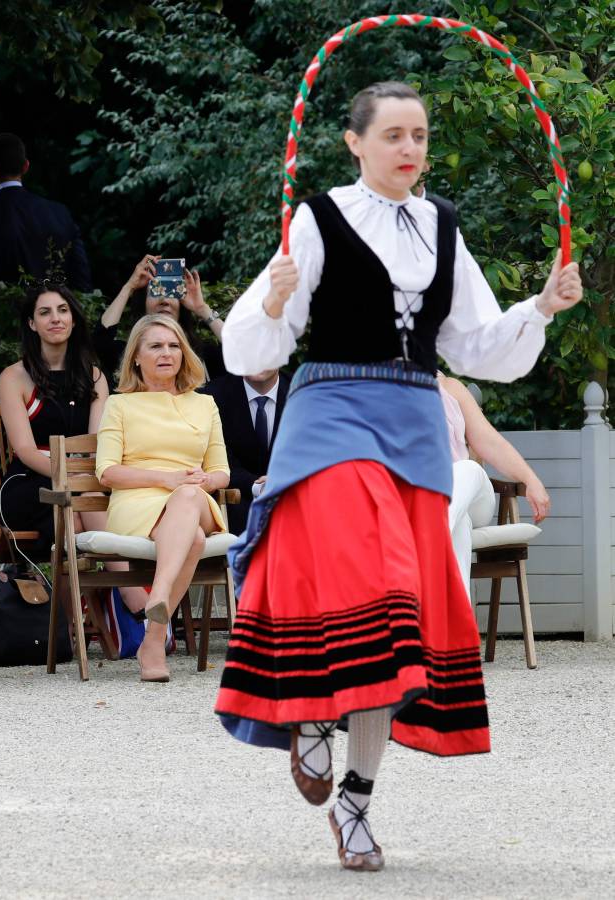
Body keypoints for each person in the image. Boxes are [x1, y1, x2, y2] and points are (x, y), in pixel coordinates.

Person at [216, 81, 584, 871]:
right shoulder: (315, 218)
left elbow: (478, 345)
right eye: (392, 135)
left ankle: (356, 800)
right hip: (333, 416)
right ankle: (311, 717)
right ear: (355, 142)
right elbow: (252, 349)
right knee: (366, 576)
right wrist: (276, 304)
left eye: (418, 134)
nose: (409, 149)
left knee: (405, 615)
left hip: (416, 421)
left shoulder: (442, 226)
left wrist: (542, 308)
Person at [95, 313, 229, 682]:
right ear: (136, 356)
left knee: (188, 498)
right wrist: (165, 479)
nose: (166, 353)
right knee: (195, 539)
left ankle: (159, 596)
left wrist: (205, 480)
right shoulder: (120, 405)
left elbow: (222, 470)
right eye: (155, 346)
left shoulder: (205, 404)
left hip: (194, 498)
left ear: (184, 354)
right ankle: (154, 639)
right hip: (138, 503)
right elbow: (106, 471)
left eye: (174, 346)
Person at [0, 284, 109, 555]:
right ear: (32, 324)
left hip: (83, 481)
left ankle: (112, 597)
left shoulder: (94, 377)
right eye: (45, 313)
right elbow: (25, 450)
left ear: (73, 320)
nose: (56, 318)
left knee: (83, 507)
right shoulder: (14, 377)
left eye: (62, 310)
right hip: (30, 483)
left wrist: (81, 479)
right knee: (78, 509)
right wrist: (72, 477)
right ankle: (126, 595)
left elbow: (96, 443)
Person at [439, 373, 551, 593]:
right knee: (458, 527)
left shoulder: (450, 388)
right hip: (433, 504)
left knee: (467, 468)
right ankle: (455, 626)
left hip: (471, 495)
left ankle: (432, 532)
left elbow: (490, 442)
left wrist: (530, 479)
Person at [0, 132, 91, 301]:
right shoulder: (60, 213)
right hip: (56, 322)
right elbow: (82, 284)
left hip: (4, 324)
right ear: (26, 166)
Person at [95, 255, 225, 379]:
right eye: (157, 291)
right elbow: (100, 342)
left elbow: (239, 350)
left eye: (171, 292)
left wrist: (202, 309)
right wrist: (129, 287)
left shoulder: (204, 356)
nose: (165, 300)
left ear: (181, 306)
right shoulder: (129, 354)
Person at [201, 368, 290, 531]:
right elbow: (216, 460)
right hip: (235, 505)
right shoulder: (210, 396)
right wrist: (258, 486)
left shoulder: (304, 395)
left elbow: (316, 453)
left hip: (293, 497)